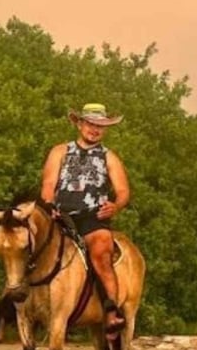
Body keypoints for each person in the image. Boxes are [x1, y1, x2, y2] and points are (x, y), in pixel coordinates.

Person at [41, 102, 132, 336]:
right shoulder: (60, 151)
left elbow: (123, 191)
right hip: (60, 215)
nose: (95, 129)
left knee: (101, 251)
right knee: (27, 244)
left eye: (100, 125)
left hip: (93, 216)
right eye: (90, 123)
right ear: (80, 124)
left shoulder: (109, 157)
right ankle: (8, 308)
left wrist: (116, 205)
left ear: (105, 129)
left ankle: (111, 310)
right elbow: (49, 184)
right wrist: (49, 205)